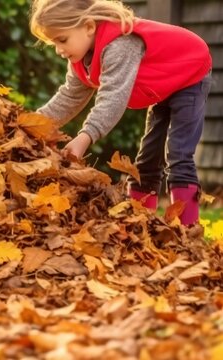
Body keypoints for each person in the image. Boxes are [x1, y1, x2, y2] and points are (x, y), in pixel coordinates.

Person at [29, 0, 212, 225]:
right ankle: (141, 226)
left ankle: (188, 231)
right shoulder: (82, 58)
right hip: (163, 85)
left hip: (189, 72)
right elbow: (68, 98)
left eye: (62, 40)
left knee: (178, 155)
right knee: (146, 162)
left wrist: (85, 137)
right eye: (53, 43)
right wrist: (30, 125)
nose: (58, 49)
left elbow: (112, 99)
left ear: (88, 26)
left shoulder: (120, 44)